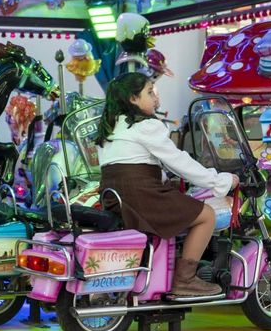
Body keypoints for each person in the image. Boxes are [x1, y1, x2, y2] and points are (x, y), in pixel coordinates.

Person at [96, 72, 237, 299]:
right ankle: (185, 280)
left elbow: (135, 163)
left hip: (115, 197)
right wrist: (221, 180)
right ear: (133, 99)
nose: (156, 99)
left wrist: (164, 179)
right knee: (206, 216)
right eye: (150, 93)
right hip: (141, 195)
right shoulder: (146, 126)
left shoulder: (111, 128)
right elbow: (179, 161)